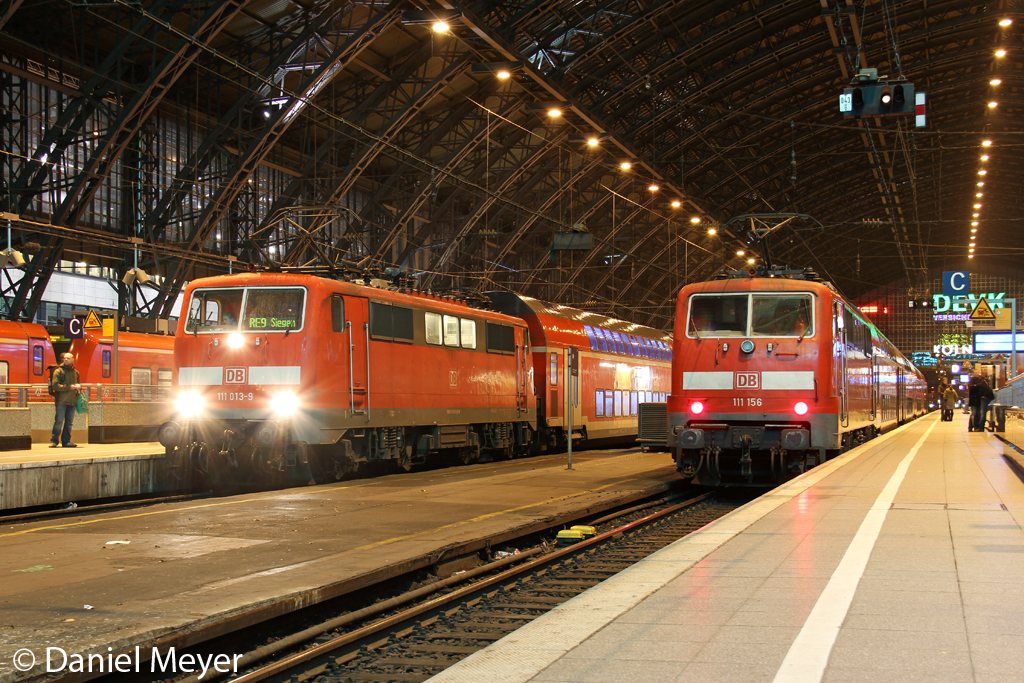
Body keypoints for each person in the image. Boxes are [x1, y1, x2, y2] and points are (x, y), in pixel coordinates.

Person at [51, 353, 81, 448]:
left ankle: (66, 441)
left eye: (68, 358)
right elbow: (55, 385)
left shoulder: (75, 372)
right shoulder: (58, 371)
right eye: (64, 358)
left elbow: (78, 384)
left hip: (72, 401)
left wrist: (79, 387)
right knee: (59, 421)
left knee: (69, 422)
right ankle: (54, 441)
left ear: (73, 360)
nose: (66, 360)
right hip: (62, 400)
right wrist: (69, 387)